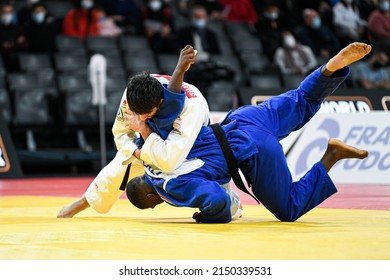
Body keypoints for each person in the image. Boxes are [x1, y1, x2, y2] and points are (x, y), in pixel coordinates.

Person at [126, 42, 371, 223]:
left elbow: (218, 200)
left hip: (252, 150)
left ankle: (332, 155)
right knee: (301, 99)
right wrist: (179, 70)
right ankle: (331, 68)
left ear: (150, 195)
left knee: (289, 209)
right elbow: (170, 102)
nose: (159, 204)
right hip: (243, 118)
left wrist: (207, 216)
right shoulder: (151, 128)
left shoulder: (168, 185)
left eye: (154, 204)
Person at [57, 45, 217, 218]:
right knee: (121, 164)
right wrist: (136, 151)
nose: (140, 118)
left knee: (195, 169)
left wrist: (142, 129)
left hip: (195, 140)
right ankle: (85, 201)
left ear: (160, 102)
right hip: (149, 144)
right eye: (137, 114)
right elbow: (120, 132)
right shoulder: (132, 95)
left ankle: (227, 203)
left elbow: (169, 161)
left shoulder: (191, 108)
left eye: (147, 114)